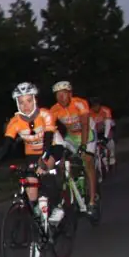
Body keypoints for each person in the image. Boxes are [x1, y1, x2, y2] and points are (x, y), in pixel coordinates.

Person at [0, 82, 66, 226]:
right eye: (21, 102)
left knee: (44, 169)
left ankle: (57, 206)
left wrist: (44, 159)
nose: (25, 106)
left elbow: (48, 140)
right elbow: (6, 145)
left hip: (53, 147)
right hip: (32, 152)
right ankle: (40, 220)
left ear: (35, 100)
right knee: (31, 190)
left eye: (29, 100)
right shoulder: (15, 122)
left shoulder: (45, 114)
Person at [49, 81, 98, 209]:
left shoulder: (80, 103)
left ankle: (92, 200)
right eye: (58, 94)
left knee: (87, 161)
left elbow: (85, 125)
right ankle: (70, 186)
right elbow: (49, 130)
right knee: (61, 162)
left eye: (63, 94)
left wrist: (83, 146)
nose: (61, 97)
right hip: (71, 136)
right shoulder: (54, 109)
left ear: (70, 94)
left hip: (87, 133)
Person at [88, 97, 116, 170]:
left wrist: (105, 137)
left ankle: (112, 156)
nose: (95, 108)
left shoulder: (106, 110)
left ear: (100, 105)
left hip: (106, 127)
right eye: (94, 106)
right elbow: (90, 126)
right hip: (96, 129)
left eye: (97, 105)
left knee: (109, 139)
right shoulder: (89, 112)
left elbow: (108, 124)